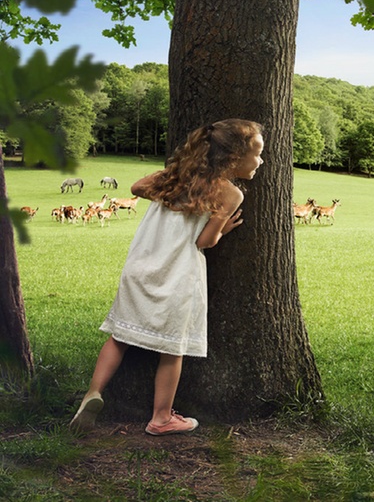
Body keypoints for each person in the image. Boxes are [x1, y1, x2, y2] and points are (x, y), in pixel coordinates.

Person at [69, 119, 265, 436]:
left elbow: (135, 188)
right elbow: (204, 242)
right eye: (257, 154)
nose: (260, 160)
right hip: (178, 276)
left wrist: (171, 193)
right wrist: (222, 229)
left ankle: (93, 392)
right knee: (172, 350)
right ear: (233, 158)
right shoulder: (229, 194)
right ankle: (161, 418)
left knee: (119, 336)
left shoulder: (173, 178)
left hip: (139, 268)